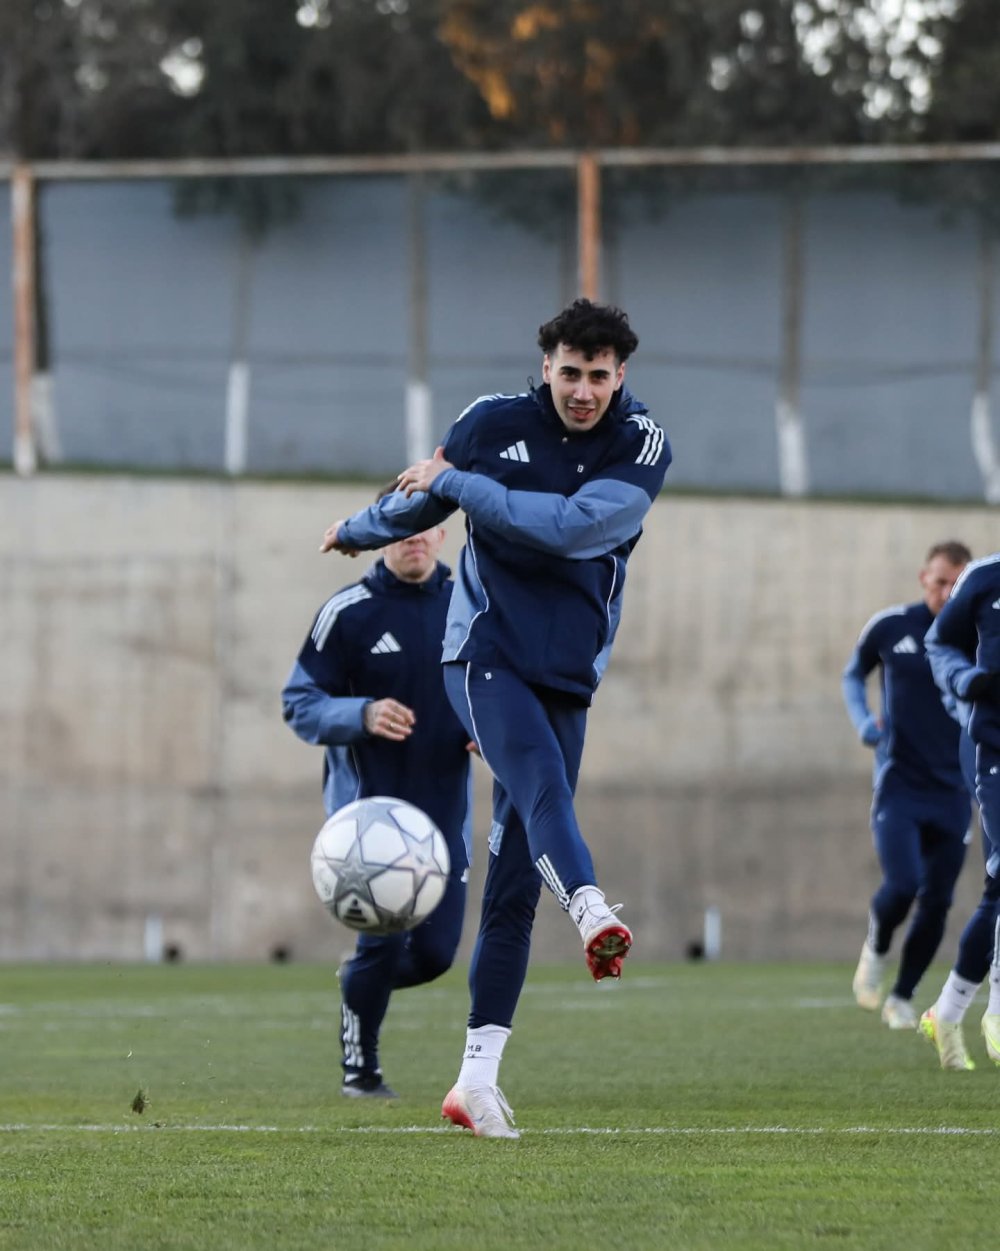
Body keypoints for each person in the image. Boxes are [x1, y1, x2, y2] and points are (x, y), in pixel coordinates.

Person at [320, 299, 670, 1137]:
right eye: (569, 372)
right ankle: (592, 907)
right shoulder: (491, 422)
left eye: (598, 376)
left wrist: (457, 483)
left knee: (512, 889)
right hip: (483, 655)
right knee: (545, 784)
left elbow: (566, 530)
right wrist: (358, 529)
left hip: (567, 675)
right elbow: (418, 501)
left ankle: (474, 1081)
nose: (582, 390)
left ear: (620, 375)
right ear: (545, 366)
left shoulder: (642, 443)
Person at [282, 502, 476, 1098]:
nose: (414, 538)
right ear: (382, 535)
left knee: (436, 955)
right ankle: (360, 1070)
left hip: (445, 818)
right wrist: (360, 714)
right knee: (383, 943)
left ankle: (358, 982)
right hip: (370, 824)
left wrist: (489, 727)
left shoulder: (471, 606)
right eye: (401, 528)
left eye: (425, 527)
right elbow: (299, 704)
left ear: (441, 533)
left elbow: (495, 686)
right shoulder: (347, 613)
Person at [841, 540, 973, 1030]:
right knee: (902, 884)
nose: (947, 592)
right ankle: (876, 949)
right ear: (924, 579)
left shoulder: (978, 636)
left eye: (957, 584)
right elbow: (853, 675)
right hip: (900, 785)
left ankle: (902, 997)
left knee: (938, 901)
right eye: (940, 582)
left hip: (955, 791)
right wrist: (863, 721)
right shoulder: (891, 625)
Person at [919, 551, 1000, 1070]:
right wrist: (964, 683)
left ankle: (947, 1011)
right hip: (991, 748)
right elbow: (941, 644)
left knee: (996, 890)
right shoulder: (985, 579)